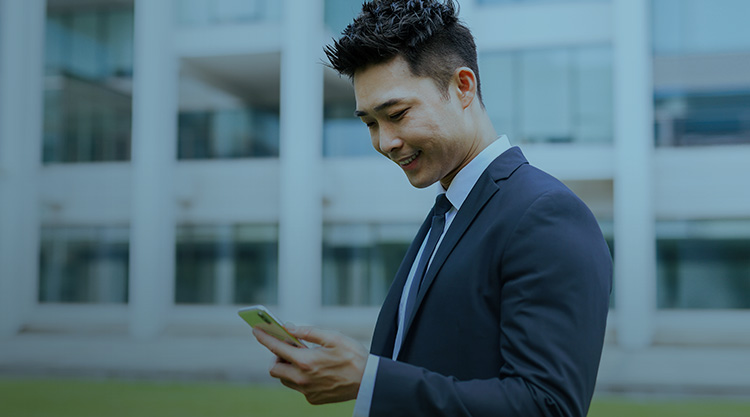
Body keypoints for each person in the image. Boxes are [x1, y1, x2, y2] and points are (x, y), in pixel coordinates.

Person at [251, 1, 612, 416]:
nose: (384, 142)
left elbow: (547, 407)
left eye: (397, 114)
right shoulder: (449, 212)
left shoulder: (545, 215)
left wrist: (369, 379)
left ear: (463, 87)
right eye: (370, 123)